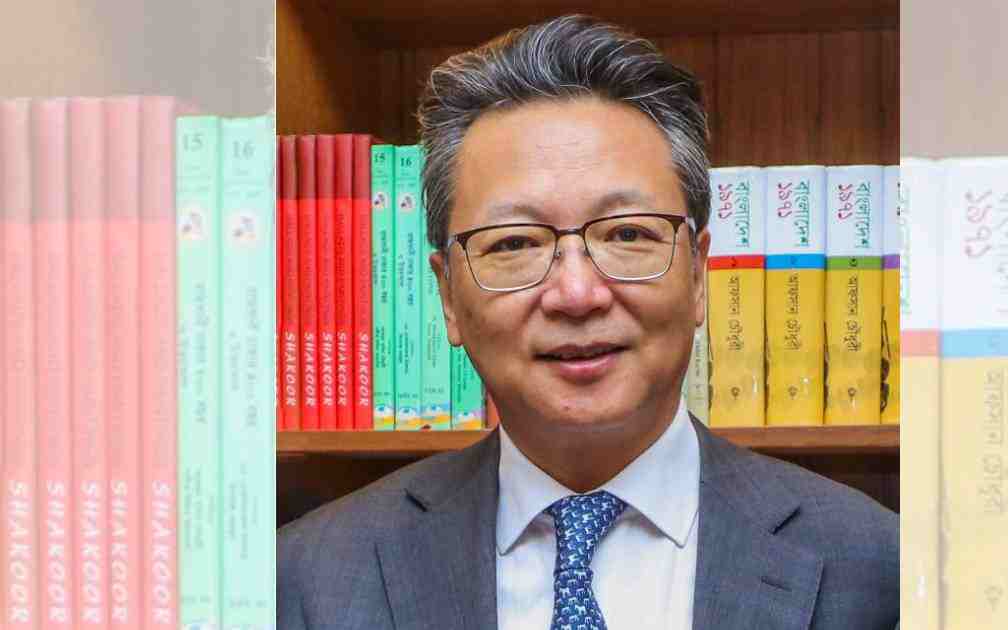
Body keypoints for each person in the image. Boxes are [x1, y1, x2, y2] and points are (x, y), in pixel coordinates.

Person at [277, 15, 898, 630]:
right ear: (448, 297)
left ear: (697, 274)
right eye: (514, 243)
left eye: (627, 234)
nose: (576, 294)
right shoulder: (309, 578)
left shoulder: (880, 571)